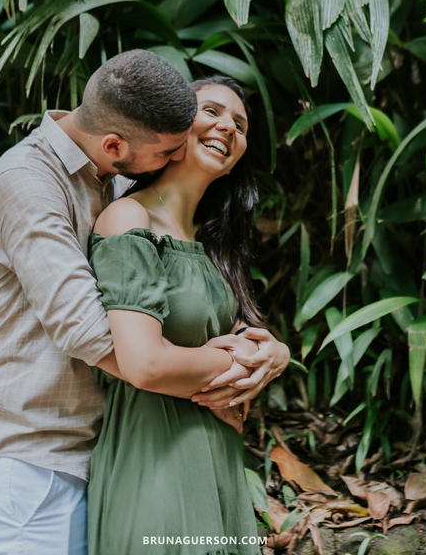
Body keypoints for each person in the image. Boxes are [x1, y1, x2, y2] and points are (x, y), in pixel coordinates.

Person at [0, 52, 289, 555]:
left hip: (105, 447)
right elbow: (89, 332)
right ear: (116, 144)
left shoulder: (110, 176)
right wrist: (220, 379)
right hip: (33, 459)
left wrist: (270, 355)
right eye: (168, 150)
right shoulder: (27, 181)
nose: (175, 153)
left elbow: (179, 311)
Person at [87, 76, 278, 555]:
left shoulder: (210, 244)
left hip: (216, 462)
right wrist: (238, 368)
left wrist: (279, 352)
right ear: (172, 126)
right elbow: (144, 363)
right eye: (211, 111)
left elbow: (236, 334)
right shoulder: (129, 219)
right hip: (155, 465)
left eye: (240, 122)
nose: (227, 127)